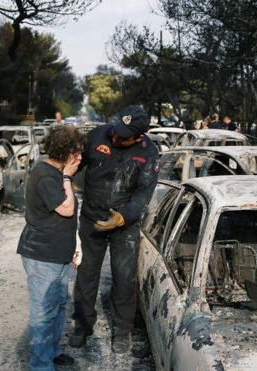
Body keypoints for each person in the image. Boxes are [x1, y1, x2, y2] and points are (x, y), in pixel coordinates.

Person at [69, 105, 160, 354]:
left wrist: (121, 218)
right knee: (86, 274)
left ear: (139, 136)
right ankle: (83, 326)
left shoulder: (149, 153)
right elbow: (74, 164)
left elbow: (143, 195)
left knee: (124, 278)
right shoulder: (98, 135)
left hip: (124, 227)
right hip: (91, 220)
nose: (116, 136)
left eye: (124, 135)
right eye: (117, 129)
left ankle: (122, 331)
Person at [17, 125, 84, 371]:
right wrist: (68, 177)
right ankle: (41, 365)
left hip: (59, 254)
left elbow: (67, 220)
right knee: (43, 313)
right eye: (76, 152)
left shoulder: (56, 171)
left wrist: (75, 244)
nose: (80, 157)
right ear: (64, 152)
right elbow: (66, 209)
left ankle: (52, 352)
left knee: (58, 306)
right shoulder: (46, 174)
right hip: (42, 255)